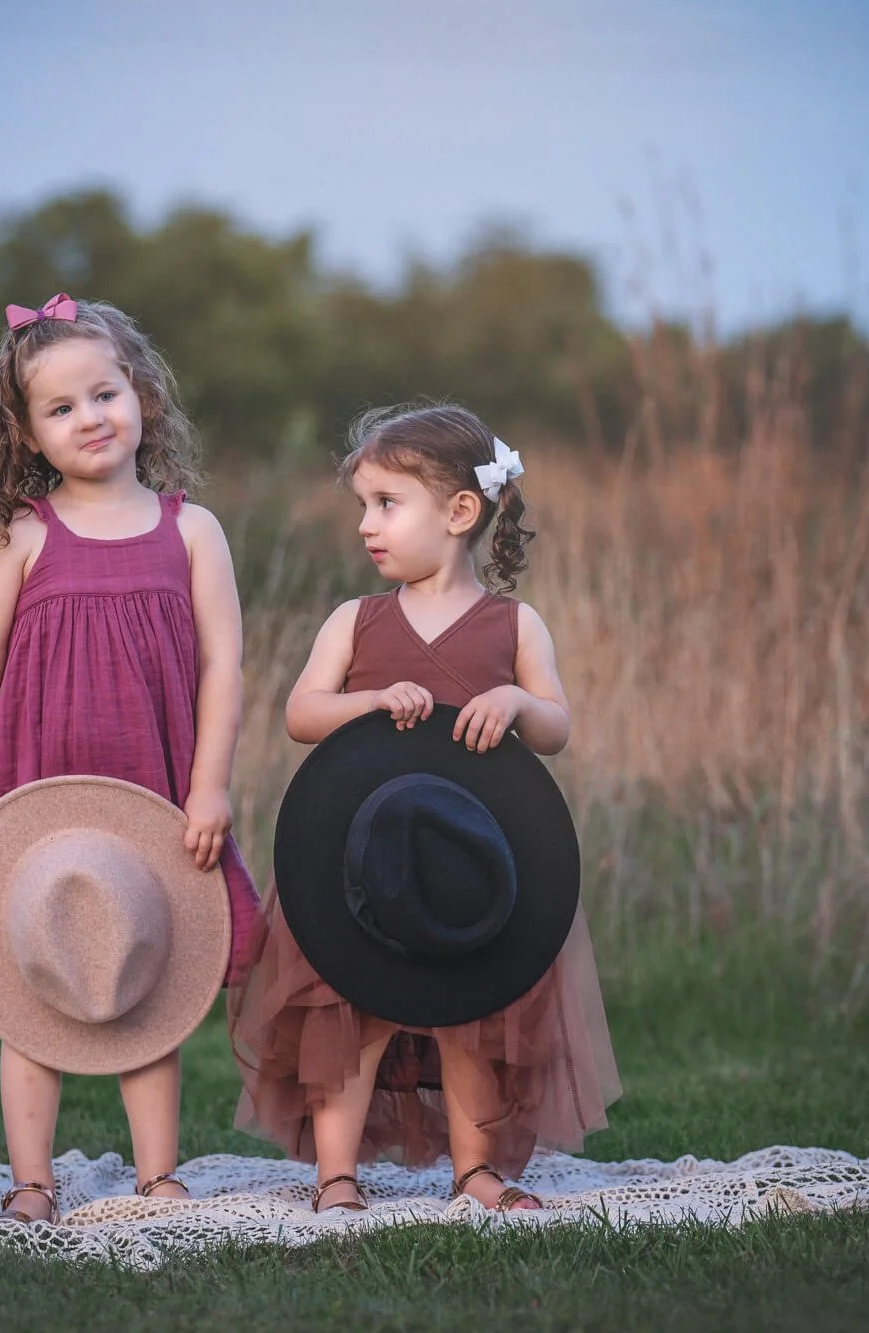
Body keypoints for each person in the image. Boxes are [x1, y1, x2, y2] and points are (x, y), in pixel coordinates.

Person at [229, 402, 620, 1213]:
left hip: (462, 870)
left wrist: (514, 696)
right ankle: (337, 1174)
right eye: (363, 506)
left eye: (386, 503)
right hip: (356, 863)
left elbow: (557, 726)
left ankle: (474, 1168)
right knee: (353, 1016)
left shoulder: (513, 624)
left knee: (470, 1013)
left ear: (460, 512)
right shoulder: (356, 620)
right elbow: (303, 713)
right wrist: (367, 701)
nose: (367, 525)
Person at [0, 293, 260, 1223]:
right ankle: (30, 1179)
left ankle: (157, 1174)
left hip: (152, 790)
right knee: (32, 982)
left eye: (104, 393)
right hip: (34, 789)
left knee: (143, 977)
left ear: (141, 393)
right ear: (25, 435)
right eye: (60, 408)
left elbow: (224, 663)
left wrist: (210, 785)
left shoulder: (190, 530)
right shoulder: (20, 536)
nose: (90, 418)